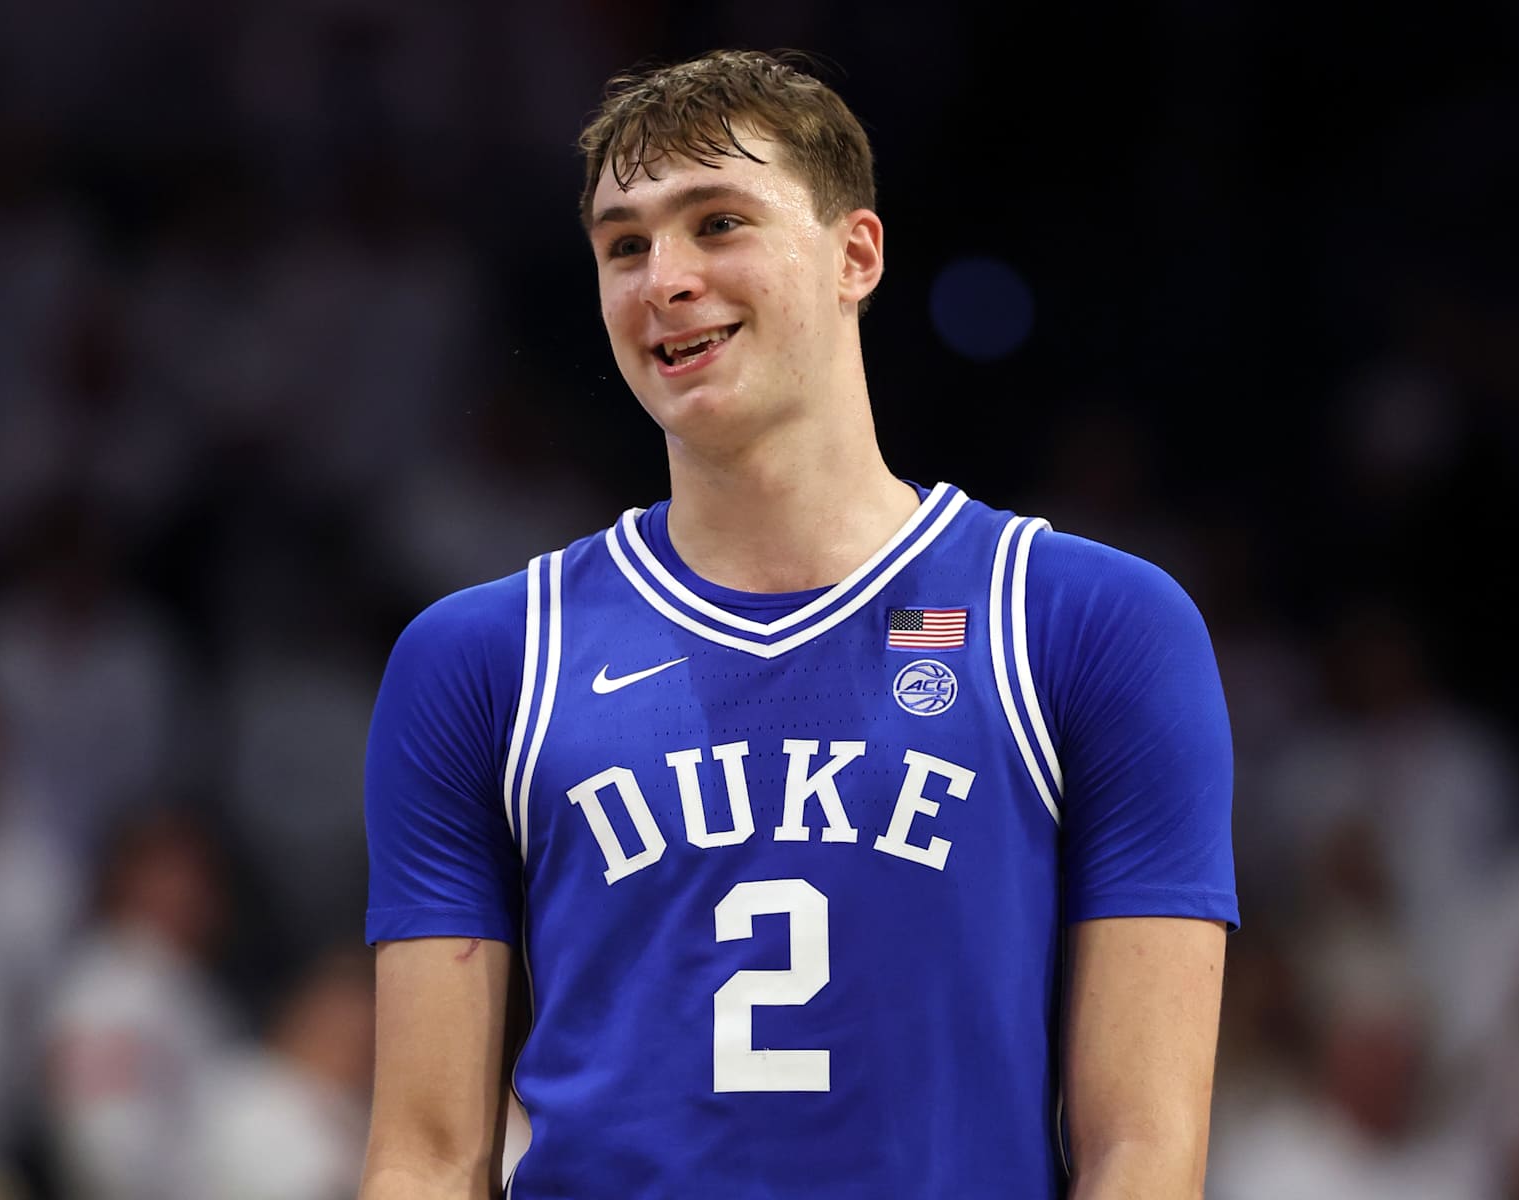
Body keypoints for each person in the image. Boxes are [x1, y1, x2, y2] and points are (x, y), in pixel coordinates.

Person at [359, 48, 1237, 1200]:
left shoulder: (1089, 623)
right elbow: (426, 1158)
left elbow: (1143, 1153)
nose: (664, 277)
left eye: (717, 222)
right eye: (625, 245)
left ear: (855, 255)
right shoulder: (481, 659)